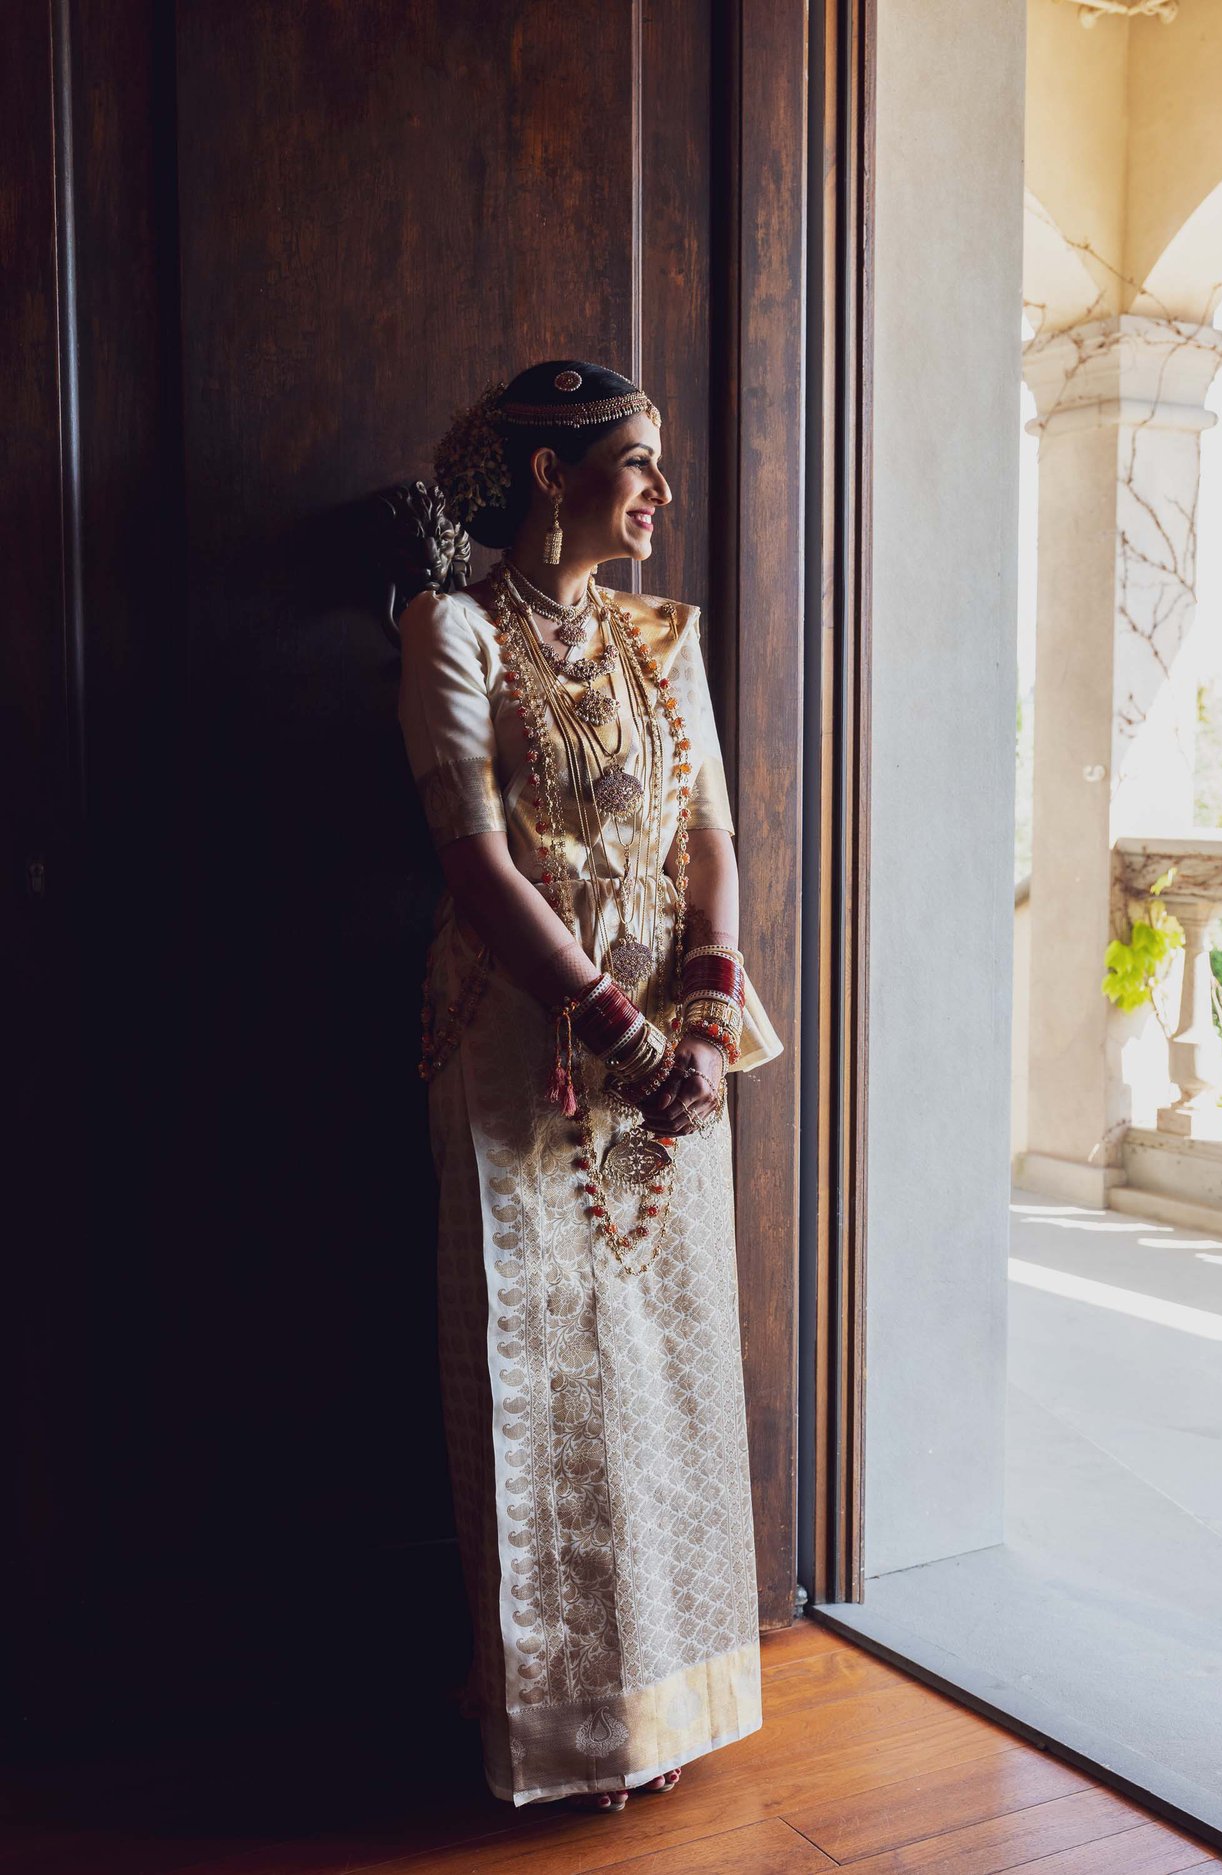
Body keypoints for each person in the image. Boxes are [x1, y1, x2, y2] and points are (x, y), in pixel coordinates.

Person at [400, 359, 783, 1811]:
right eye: (637, 462)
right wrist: (616, 1032)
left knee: (667, 1373)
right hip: (524, 1054)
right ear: (551, 474)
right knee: (543, 1386)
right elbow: (477, 871)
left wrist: (701, 1015)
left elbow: (712, 850)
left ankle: (671, 1705)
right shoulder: (451, 633)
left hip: (672, 1067)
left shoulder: (659, 636)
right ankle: (562, 1729)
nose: (662, 494)